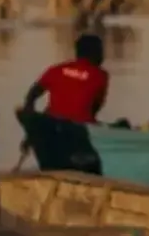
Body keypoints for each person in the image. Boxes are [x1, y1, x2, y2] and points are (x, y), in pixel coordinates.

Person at [19, 33, 108, 172]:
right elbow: (93, 109)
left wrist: (30, 134)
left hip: (50, 128)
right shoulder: (100, 76)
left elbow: (32, 95)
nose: (104, 56)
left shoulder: (56, 69)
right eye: (101, 51)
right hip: (78, 135)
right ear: (94, 53)